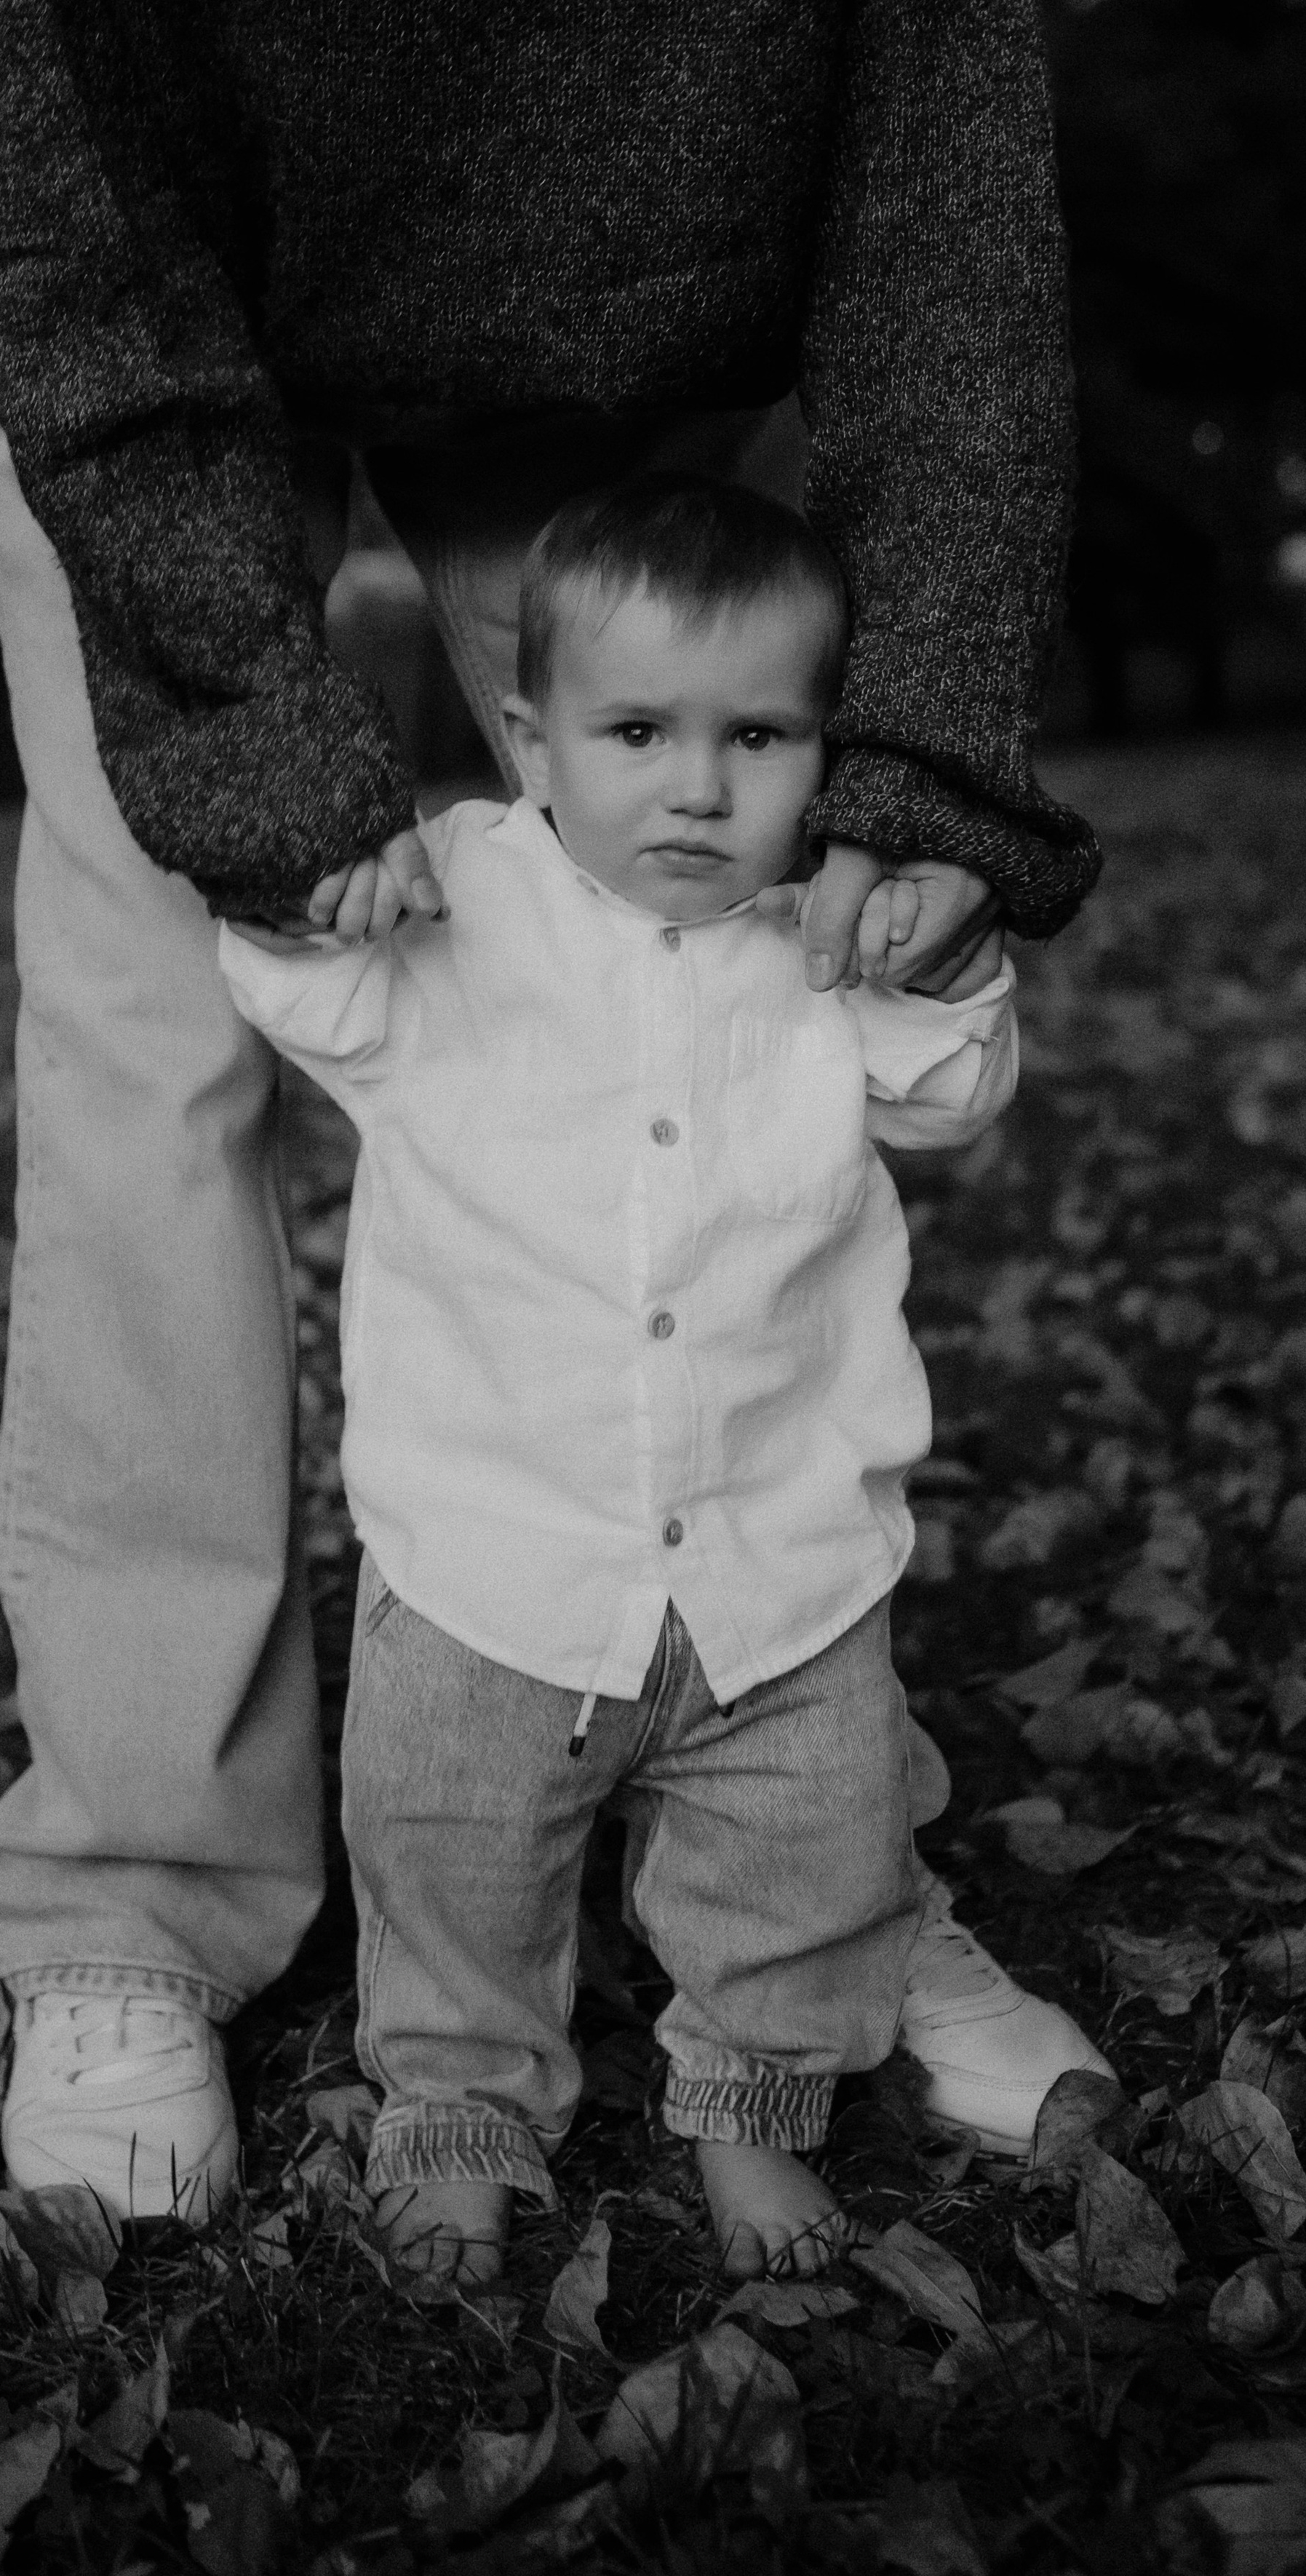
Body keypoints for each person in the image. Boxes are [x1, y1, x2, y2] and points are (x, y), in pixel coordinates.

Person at [0, 0, 1108, 2221]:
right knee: (162, 1017)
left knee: (740, 965)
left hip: (630, 300)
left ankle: (815, 1855)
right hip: (149, 308)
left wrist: (923, 752)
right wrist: (247, 734)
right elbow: (61, 172)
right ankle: (139, 1881)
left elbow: (946, 185)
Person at [215, 477, 1108, 2281]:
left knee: (798, 1867)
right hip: (492, 1563)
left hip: (776, 1557)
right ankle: (461, 2104)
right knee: (451, 1864)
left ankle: (750, 2104)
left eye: (756, 735)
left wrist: (943, 958)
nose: (696, 787)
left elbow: (948, 1094)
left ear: (826, 752)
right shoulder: (461, 894)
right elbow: (290, 990)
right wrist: (317, 892)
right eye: (636, 731)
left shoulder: (823, 934)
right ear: (532, 732)